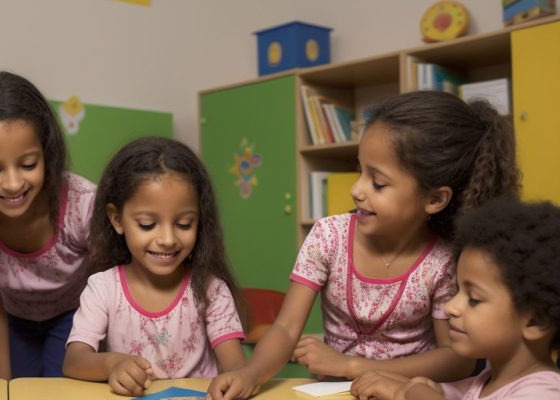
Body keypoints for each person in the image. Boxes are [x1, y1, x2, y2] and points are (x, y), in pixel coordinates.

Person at [209, 91, 521, 399]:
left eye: (378, 182)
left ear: (434, 199)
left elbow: (457, 360)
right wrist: (250, 373)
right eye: (360, 171)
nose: (357, 190)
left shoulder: (441, 261)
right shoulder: (328, 237)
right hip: (333, 393)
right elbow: (286, 329)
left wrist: (350, 365)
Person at [63, 137, 247, 397]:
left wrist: (235, 381)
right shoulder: (103, 288)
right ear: (117, 219)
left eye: (184, 224)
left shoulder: (211, 289)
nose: (168, 240)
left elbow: (236, 368)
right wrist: (111, 364)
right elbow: (74, 361)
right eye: (148, 224)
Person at [0, 71, 96, 378]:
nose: (13, 184)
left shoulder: (82, 203)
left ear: (47, 154)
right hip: (12, 319)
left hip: (78, 317)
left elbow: (110, 291)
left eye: (28, 164)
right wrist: (2, 382)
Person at [350, 199, 560, 399]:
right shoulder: (486, 382)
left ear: (536, 320)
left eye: (474, 299)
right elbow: (431, 390)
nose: (451, 307)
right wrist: (405, 386)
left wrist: (409, 393)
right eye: (457, 290)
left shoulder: (544, 391)